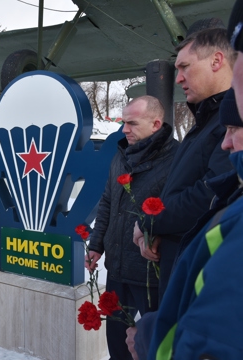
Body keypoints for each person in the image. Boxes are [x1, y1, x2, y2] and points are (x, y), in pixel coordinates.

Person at [126, 88, 243, 359]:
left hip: (152, 273)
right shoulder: (122, 157)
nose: (178, 77)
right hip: (137, 260)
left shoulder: (231, 219)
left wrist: (149, 336)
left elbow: (211, 337)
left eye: (235, 129)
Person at [133, 27, 235, 301]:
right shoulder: (203, 123)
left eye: (185, 67)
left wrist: (149, 222)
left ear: (216, 61)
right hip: (180, 266)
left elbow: (211, 196)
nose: (178, 79)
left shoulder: (230, 124)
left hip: (203, 280)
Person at [85, 96, 179, 360]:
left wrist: (159, 234)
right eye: (124, 122)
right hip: (116, 270)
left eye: (132, 123)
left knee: (152, 348)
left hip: (150, 276)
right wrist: (96, 245)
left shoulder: (176, 159)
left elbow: (183, 212)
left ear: (156, 124)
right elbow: (107, 201)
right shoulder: (121, 154)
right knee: (118, 346)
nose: (124, 129)